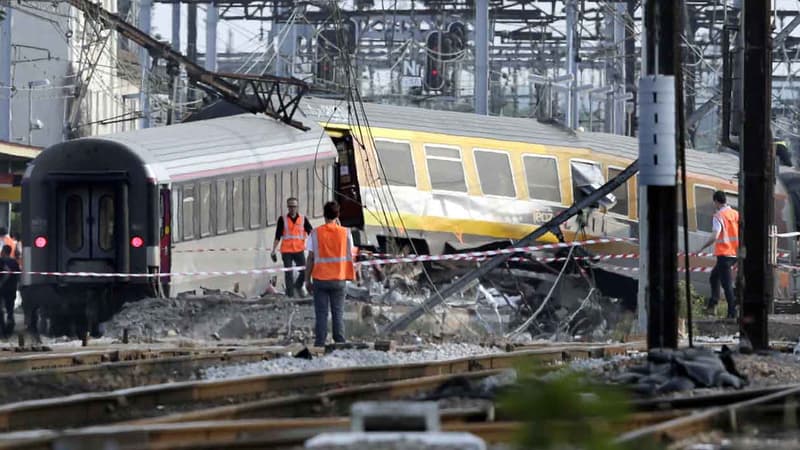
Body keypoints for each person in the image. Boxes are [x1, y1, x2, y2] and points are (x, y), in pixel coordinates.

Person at [304, 201, 355, 347]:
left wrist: (307, 280)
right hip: (339, 279)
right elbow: (349, 253)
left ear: (324, 214)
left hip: (320, 279)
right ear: (337, 215)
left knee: (321, 314)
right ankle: (339, 342)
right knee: (337, 313)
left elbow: (311, 258)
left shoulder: (315, 233)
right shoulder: (345, 233)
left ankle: (320, 343)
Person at [698, 190, 739, 319]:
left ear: (716, 201)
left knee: (726, 284)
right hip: (735, 253)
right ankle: (712, 305)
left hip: (725, 254)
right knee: (714, 277)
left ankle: (732, 313)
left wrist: (702, 247)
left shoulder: (718, 216)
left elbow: (715, 236)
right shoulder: (735, 214)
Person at [271, 197, 313, 298]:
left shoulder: (303, 219)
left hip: (299, 250)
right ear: (288, 207)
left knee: (305, 271)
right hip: (287, 251)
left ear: (297, 207)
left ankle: (297, 286)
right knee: (288, 273)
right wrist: (273, 250)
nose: (292, 208)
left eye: (294, 206)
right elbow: (278, 236)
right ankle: (290, 296)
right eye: (290, 206)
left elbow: (311, 233)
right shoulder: (283, 219)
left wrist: (316, 246)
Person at [0, 245, 19, 335]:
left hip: (2, 289)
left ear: (3, 251)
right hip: (12, 289)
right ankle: (10, 327)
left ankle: (3, 330)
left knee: (1, 309)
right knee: (10, 310)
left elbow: (7, 273)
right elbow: (18, 274)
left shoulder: (2, 261)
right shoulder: (14, 262)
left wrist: (2, 283)